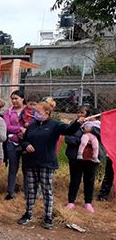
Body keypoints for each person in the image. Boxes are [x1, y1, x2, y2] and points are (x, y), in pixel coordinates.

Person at [17, 98, 84, 229]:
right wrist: (26, 145)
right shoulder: (32, 125)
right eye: (35, 112)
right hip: (31, 162)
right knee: (31, 190)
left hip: (47, 163)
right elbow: (24, 140)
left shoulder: (55, 125)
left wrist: (77, 123)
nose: (36, 114)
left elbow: (68, 130)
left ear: (47, 112)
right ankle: (28, 213)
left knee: (46, 190)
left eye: (38, 112)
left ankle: (48, 217)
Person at [65, 106, 101, 212]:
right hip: (76, 157)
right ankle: (71, 201)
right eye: (78, 112)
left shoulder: (96, 125)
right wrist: (80, 140)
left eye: (82, 113)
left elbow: (103, 136)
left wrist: (92, 130)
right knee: (75, 179)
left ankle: (88, 202)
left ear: (89, 115)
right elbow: (67, 138)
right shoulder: (74, 124)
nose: (80, 114)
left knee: (89, 180)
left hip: (91, 158)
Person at [3, 90, 27, 200]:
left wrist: (25, 131)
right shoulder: (8, 112)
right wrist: (20, 129)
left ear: (22, 98)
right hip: (12, 142)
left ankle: (28, 192)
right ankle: (11, 192)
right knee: (13, 168)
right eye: (12, 99)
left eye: (16, 98)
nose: (14, 101)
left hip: (26, 142)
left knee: (26, 168)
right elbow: (7, 126)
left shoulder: (29, 111)